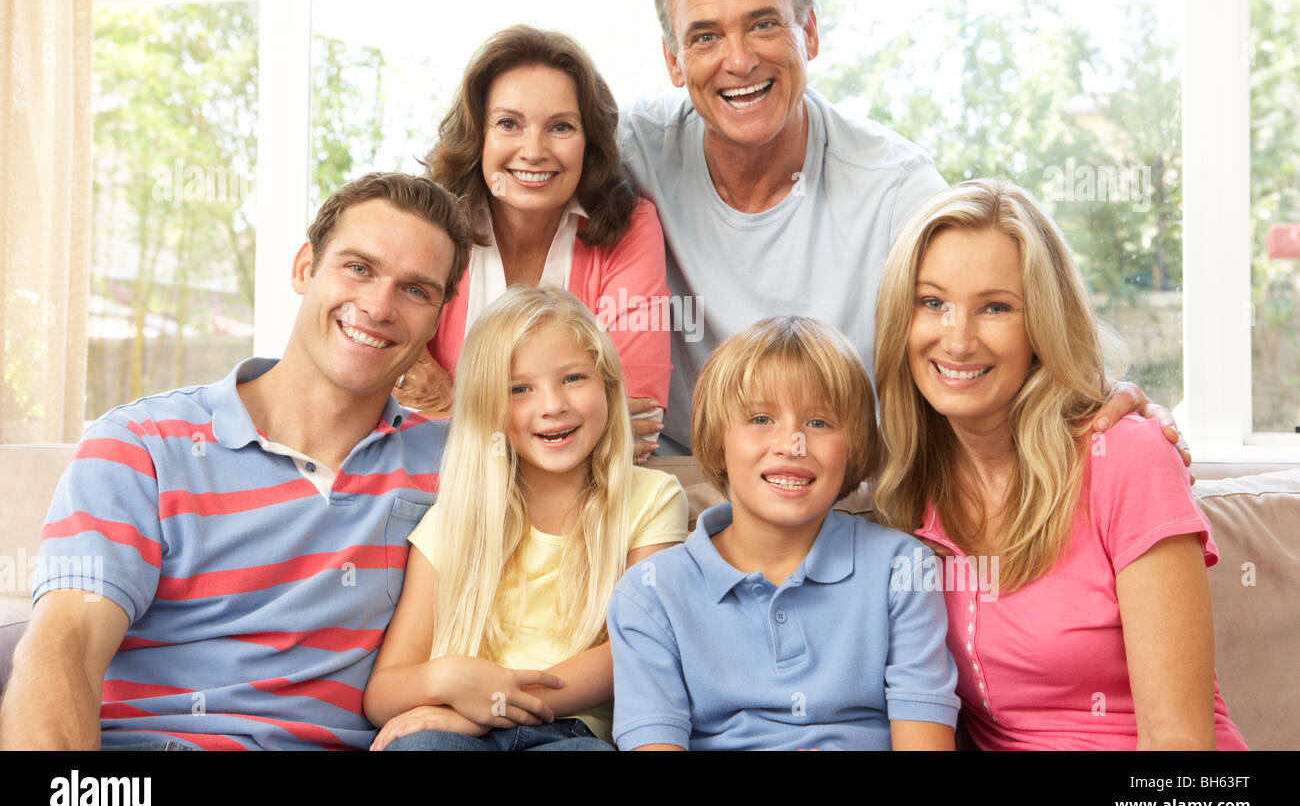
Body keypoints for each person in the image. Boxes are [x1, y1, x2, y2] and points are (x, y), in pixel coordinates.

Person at [618, 0, 1187, 462]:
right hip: (676, 490)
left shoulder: (891, 185)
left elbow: (994, 314)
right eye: (706, 36)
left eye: (765, 24)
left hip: (839, 494)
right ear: (673, 60)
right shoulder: (632, 149)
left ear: (809, 33)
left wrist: (1098, 397)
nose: (739, 60)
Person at [0, 173, 473, 750]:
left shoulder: (459, 464)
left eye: (416, 290)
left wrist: (474, 714)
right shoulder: (141, 445)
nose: (377, 306)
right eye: (359, 268)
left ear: (436, 319)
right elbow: (63, 647)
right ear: (305, 268)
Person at [871, 178, 1247, 750]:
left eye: (996, 307)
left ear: (1041, 327)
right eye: (932, 303)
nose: (958, 338)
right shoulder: (907, 490)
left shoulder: (1128, 457)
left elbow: (1180, 747)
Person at [606, 316, 958, 750]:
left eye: (819, 423)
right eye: (760, 418)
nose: (792, 444)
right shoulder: (650, 593)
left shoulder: (901, 569)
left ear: (854, 449)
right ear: (718, 443)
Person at [364, 286, 688, 750]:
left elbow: (637, 650)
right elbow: (383, 694)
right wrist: (451, 680)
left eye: (574, 377)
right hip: (453, 721)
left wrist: (496, 705)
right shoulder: (454, 520)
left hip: (570, 730)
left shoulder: (650, 498)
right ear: (486, 409)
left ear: (608, 385)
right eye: (519, 389)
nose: (553, 404)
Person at [394, 25, 672, 464]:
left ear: (589, 142)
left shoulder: (630, 225)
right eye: (509, 124)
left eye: (560, 127)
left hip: (586, 512)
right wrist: (571, 431)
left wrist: (450, 406)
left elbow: (636, 423)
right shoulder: (429, 226)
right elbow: (386, 387)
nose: (533, 150)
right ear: (477, 134)